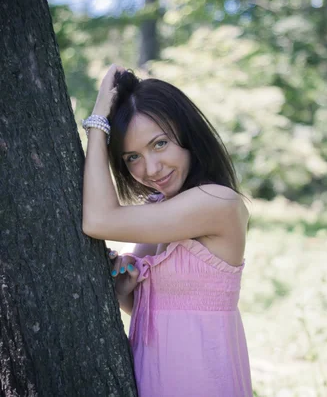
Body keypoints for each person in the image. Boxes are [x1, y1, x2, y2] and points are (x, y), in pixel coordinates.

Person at [82, 64, 252, 396]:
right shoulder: (162, 209)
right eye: (132, 157)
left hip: (201, 381)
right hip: (155, 375)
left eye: (159, 144)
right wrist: (123, 291)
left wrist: (97, 120)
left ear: (187, 135)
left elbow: (97, 221)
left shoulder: (217, 202)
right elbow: (157, 308)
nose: (150, 169)